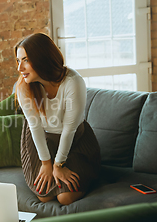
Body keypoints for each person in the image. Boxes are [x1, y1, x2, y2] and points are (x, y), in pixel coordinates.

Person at [15, 33, 100, 205]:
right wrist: (46, 163)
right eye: (18, 61)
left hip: (75, 139)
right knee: (44, 196)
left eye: (25, 60)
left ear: (42, 58)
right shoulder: (24, 87)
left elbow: (70, 129)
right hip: (40, 139)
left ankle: (88, 175)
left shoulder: (73, 82)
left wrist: (58, 165)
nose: (19, 68)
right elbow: (35, 127)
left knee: (65, 198)